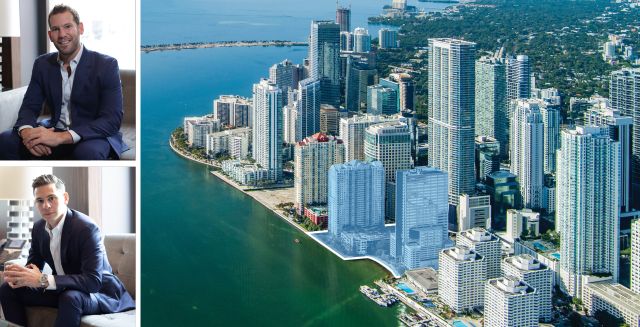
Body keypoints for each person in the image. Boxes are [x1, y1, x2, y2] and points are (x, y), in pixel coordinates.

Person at [0, 174, 135, 326]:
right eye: (40, 200)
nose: (46, 205)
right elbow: (33, 266)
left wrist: (43, 280)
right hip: (61, 288)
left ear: (65, 198)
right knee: (7, 289)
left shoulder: (86, 228)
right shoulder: (38, 228)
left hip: (98, 293)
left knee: (70, 297)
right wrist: (19, 276)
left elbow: (93, 281)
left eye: (51, 198)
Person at [0, 4, 127, 160]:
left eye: (68, 27)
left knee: (87, 153)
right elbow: (29, 107)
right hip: (54, 129)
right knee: (6, 140)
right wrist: (27, 134)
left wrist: (62, 137)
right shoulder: (42, 64)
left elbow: (111, 119)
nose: (62, 34)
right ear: (50, 35)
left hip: (91, 135)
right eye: (56, 29)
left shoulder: (106, 65)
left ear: (80, 28)